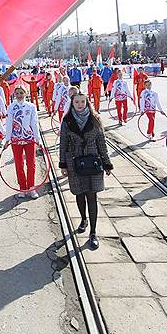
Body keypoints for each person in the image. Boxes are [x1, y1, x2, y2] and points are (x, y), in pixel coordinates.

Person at [59, 93, 113, 250]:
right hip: (74, 161)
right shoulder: (67, 121)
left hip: (94, 162)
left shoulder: (95, 119)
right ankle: (83, 219)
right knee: (79, 194)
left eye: (83, 101)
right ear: (72, 103)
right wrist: (63, 164)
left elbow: (101, 142)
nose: (80, 104)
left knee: (92, 196)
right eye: (77, 102)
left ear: (87, 102)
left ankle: (93, 233)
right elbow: (63, 143)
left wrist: (107, 163)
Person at [2, 85, 41, 198]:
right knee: (19, 164)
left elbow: (34, 123)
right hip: (16, 139)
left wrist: (37, 138)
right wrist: (7, 139)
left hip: (29, 139)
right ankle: (22, 188)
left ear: (25, 93)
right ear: (14, 94)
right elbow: (9, 123)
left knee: (31, 164)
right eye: (17, 93)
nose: (19, 95)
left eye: (21, 93)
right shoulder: (11, 107)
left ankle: (31, 187)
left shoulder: (31, 106)